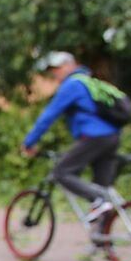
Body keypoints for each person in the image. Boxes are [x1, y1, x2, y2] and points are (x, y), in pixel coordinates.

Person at [21, 51, 121, 225]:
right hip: (111, 137)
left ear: (70, 65)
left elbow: (49, 115)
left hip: (94, 137)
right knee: (102, 190)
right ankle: (102, 242)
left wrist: (29, 142)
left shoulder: (72, 84)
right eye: (52, 70)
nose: (54, 73)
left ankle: (98, 200)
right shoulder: (88, 81)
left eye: (57, 68)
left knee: (61, 172)